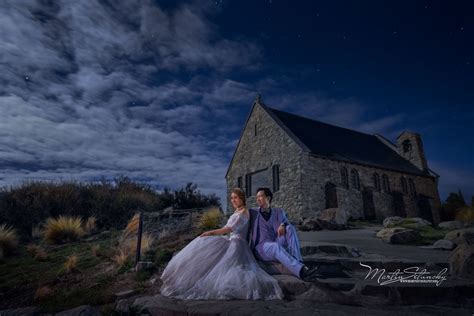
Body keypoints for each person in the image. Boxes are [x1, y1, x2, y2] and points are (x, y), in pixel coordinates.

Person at [160, 188, 283, 300]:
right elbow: (226, 228)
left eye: (235, 197)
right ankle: (180, 277)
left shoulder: (244, 212)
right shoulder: (237, 211)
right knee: (204, 246)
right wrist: (213, 234)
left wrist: (211, 232)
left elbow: (229, 229)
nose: (233, 200)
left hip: (238, 243)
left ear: (242, 199)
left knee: (224, 263)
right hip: (231, 240)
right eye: (231, 198)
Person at [249, 187, 322, 281]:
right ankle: (301, 272)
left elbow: (287, 222)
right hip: (262, 247)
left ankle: (299, 262)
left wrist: (283, 224)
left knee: (290, 228)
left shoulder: (279, 212)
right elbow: (241, 214)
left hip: (276, 241)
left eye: (260, 196)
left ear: (268, 198)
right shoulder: (253, 212)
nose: (258, 199)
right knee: (274, 246)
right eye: (257, 197)